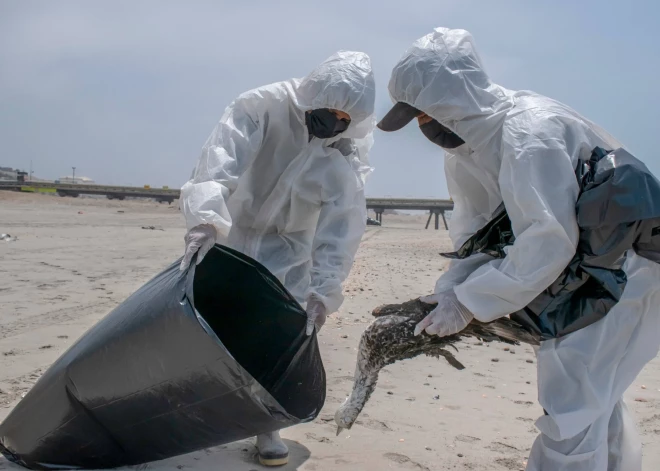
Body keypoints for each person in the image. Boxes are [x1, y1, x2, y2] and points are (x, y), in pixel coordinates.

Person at [377, 27, 660, 470]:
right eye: (418, 117)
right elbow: (476, 236)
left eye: (427, 113)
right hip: (588, 271)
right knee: (592, 400)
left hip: (626, 270)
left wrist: (470, 302)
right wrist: (449, 291)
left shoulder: (531, 132)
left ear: (456, 96)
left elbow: (548, 240)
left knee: (573, 401)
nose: (424, 126)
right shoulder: (467, 153)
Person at [179, 50, 375, 466]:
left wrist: (325, 289)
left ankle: (266, 424)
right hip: (230, 233)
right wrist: (205, 218)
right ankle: (185, 414)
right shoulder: (261, 107)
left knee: (273, 336)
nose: (335, 120)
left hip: (288, 253)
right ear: (311, 96)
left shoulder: (343, 151)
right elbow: (219, 161)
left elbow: (341, 228)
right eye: (329, 110)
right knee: (205, 325)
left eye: (346, 116)